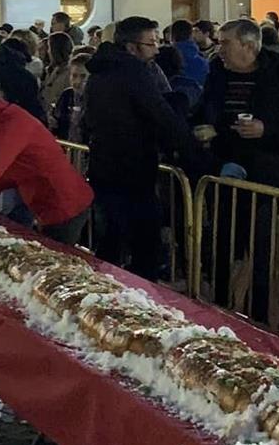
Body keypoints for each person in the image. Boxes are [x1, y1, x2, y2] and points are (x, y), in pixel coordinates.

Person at [196, 18, 279, 321]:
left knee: (263, 257)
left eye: (225, 43)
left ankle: (261, 323)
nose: (219, 48)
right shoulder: (216, 75)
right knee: (222, 252)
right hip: (225, 179)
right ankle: (223, 314)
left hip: (268, 181)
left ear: (248, 46)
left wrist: (267, 130)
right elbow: (204, 116)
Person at [82, 18, 203, 280]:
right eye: (151, 43)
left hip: (104, 166)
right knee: (144, 243)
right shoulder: (133, 73)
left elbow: (88, 121)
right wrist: (193, 151)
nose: (157, 49)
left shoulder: (99, 71)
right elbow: (160, 116)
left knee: (111, 237)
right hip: (132, 169)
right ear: (132, 47)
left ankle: (102, 289)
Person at [0, 81, 93, 244]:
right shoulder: (4, 118)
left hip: (63, 204)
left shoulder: (10, 123)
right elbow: (7, 172)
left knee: (56, 259)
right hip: (53, 201)